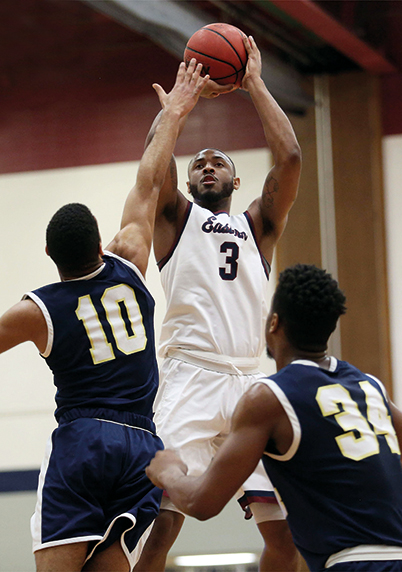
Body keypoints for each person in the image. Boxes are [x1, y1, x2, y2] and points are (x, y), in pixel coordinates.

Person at [0, 60, 209, 572]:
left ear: (50, 255)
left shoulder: (39, 309)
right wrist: (176, 112)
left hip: (82, 440)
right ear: (101, 242)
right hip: (142, 445)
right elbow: (149, 178)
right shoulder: (130, 259)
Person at [133, 35, 302, 572]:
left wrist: (253, 82)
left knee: (286, 539)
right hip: (189, 380)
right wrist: (176, 113)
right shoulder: (175, 221)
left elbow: (292, 156)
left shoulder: (257, 227)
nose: (208, 166)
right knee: (160, 533)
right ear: (187, 180)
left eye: (219, 162)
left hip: (250, 383)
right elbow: (152, 169)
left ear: (236, 179)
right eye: (199, 163)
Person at [147, 263, 402, 572]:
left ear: (273, 323)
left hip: (352, 564)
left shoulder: (271, 397)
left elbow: (203, 503)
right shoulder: (371, 388)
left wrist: (169, 473)